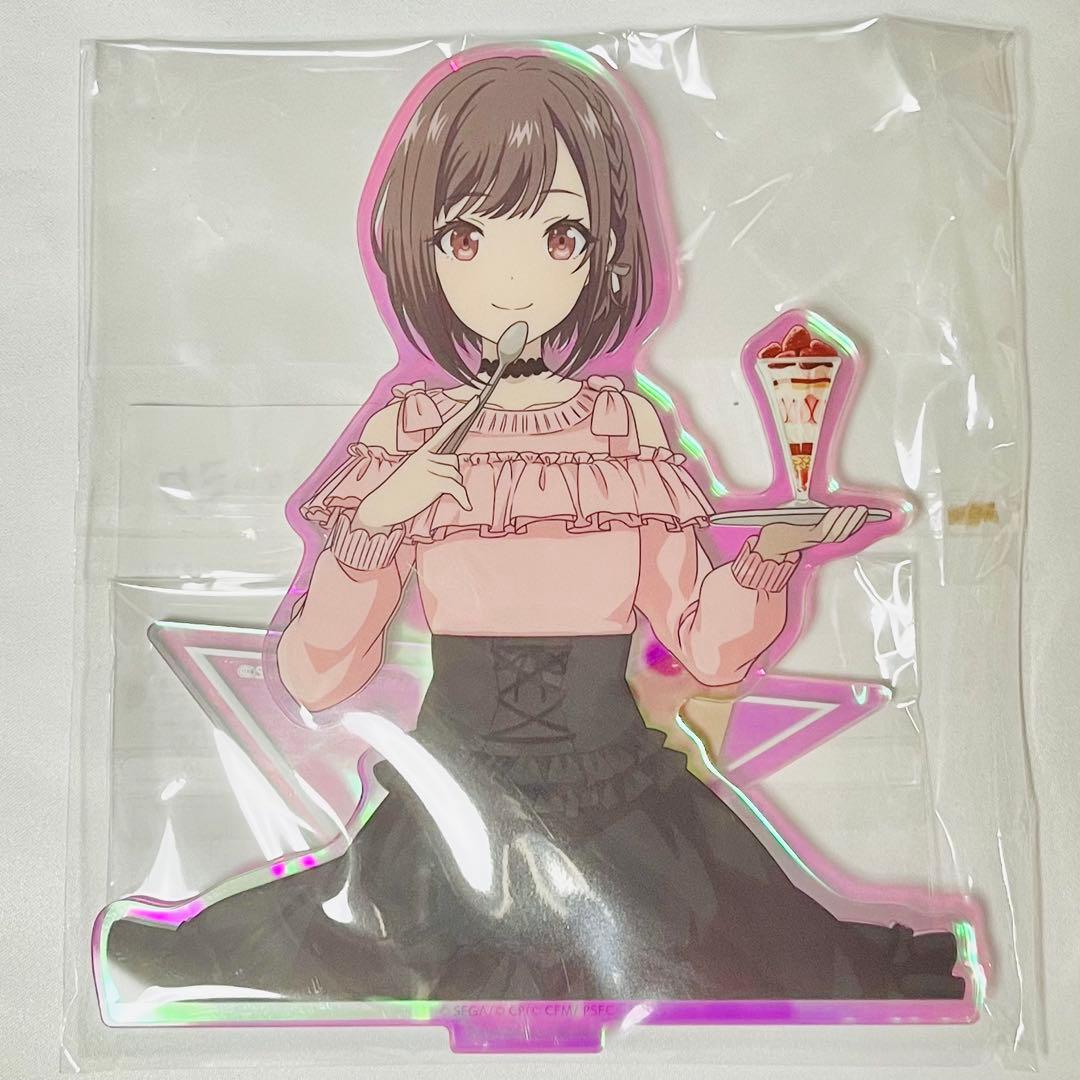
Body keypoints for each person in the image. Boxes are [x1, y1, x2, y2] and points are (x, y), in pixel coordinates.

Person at [106, 50, 965, 1003]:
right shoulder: (412, 431)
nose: (512, 278)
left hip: (627, 813)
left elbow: (705, 644)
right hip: (452, 808)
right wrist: (373, 527)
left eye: (558, 235)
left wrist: (770, 556)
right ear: (422, 248)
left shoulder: (622, 428)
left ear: (604, 251)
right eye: (468, 237)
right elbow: (316, 676)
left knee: (755, 960)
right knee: (325, 956)